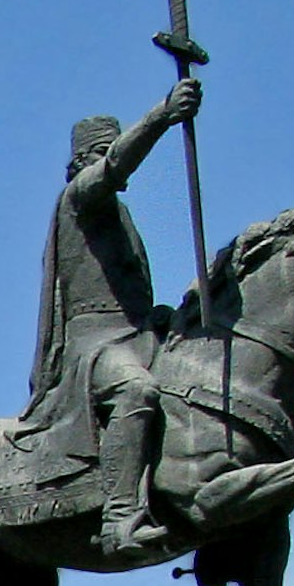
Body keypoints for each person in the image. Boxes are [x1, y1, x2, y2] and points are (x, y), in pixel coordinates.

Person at [24, 75, 200, 557]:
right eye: (102, 151)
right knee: (138, 391)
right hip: (95, 342)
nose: (111, 158)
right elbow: (120, 163)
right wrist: (163, 115)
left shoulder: (119, 216)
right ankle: (120, 517)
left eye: (110, 148)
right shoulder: (81, 199)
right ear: (81, 161)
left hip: (137, 332)